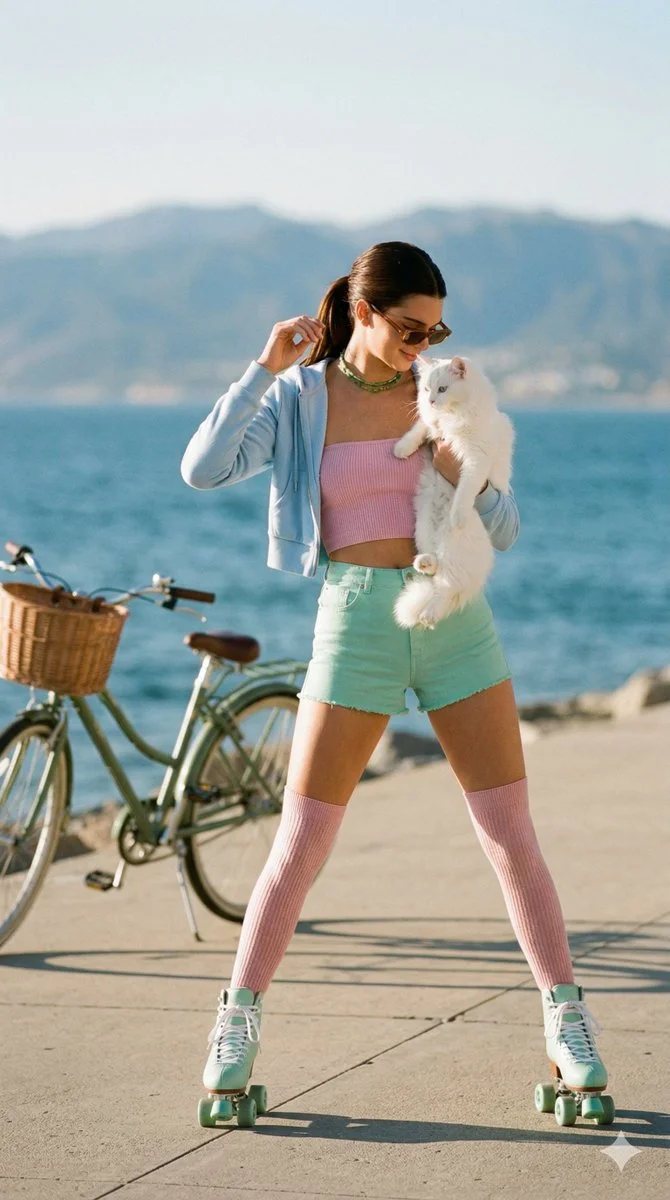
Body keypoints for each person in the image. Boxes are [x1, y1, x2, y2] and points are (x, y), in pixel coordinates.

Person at [180, 240, 609, 1119]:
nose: (426, 344)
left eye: (437, 329)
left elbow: (510, 525)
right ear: (366, 313)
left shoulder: (443, 396)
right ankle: (236, 1027)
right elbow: (204, 467)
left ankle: (567, 1024)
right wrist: (263, 368)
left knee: (510, 836)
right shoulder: (302, 399)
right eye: (411, 327)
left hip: (454, 616)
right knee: (300, 840)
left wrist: (463, 474)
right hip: (355, 621)